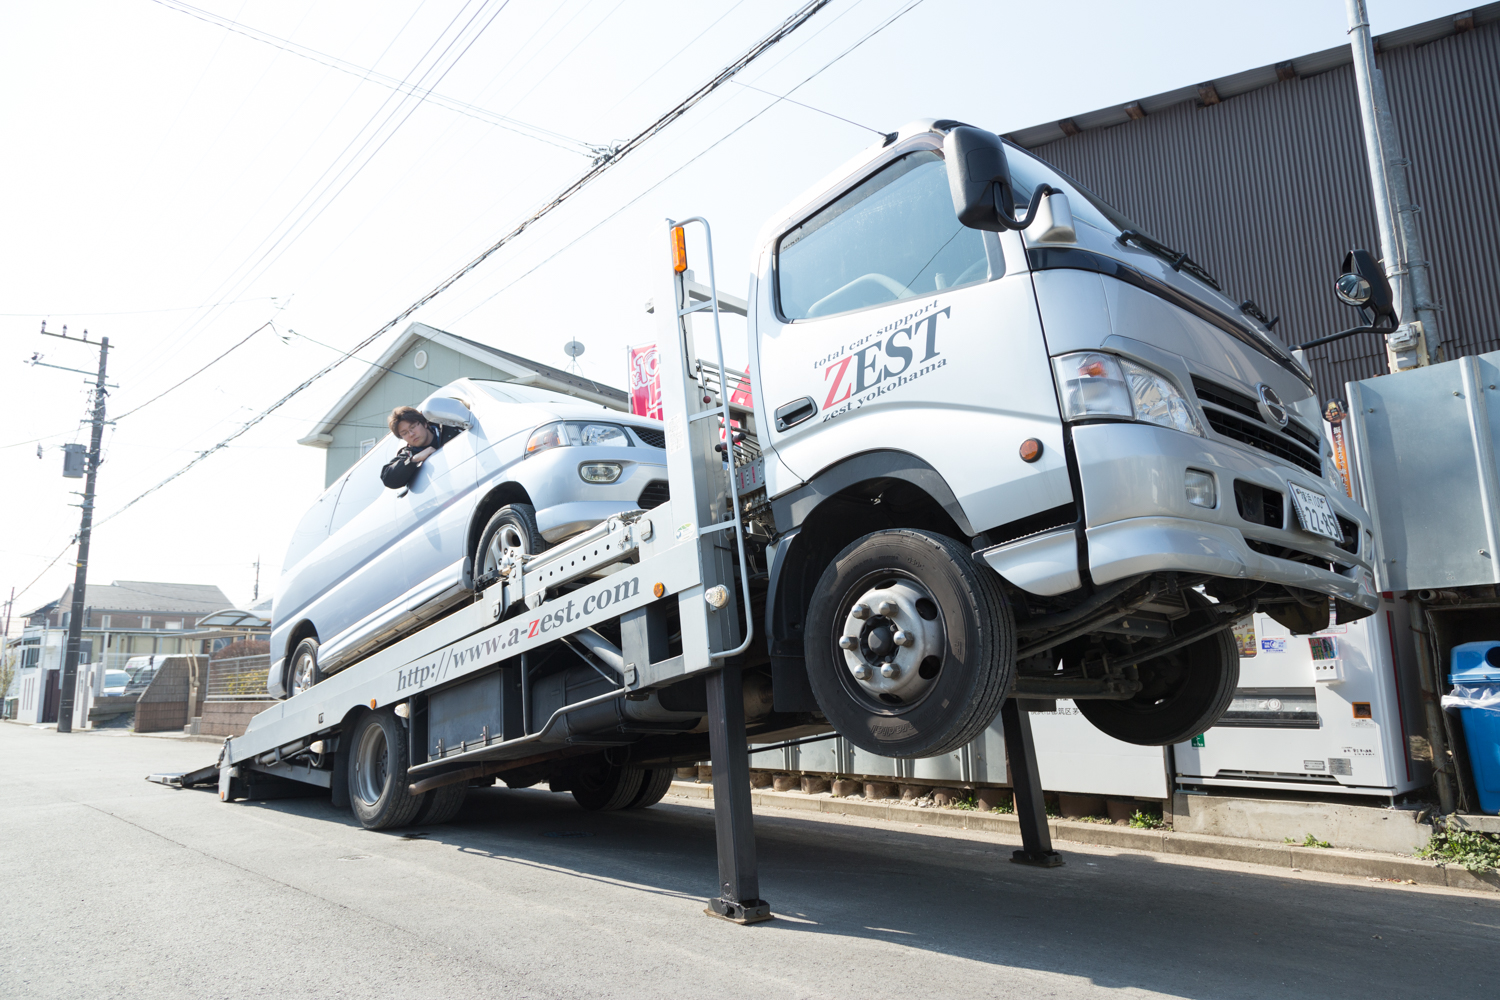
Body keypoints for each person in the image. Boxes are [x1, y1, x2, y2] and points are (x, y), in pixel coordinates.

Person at [380, 405, 461, 489]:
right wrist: (414, 460)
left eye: (413, 427)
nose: (411, 434)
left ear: (424, 423)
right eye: (404, 433)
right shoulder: (409, 454)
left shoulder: (450, 428)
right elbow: (387, 478)